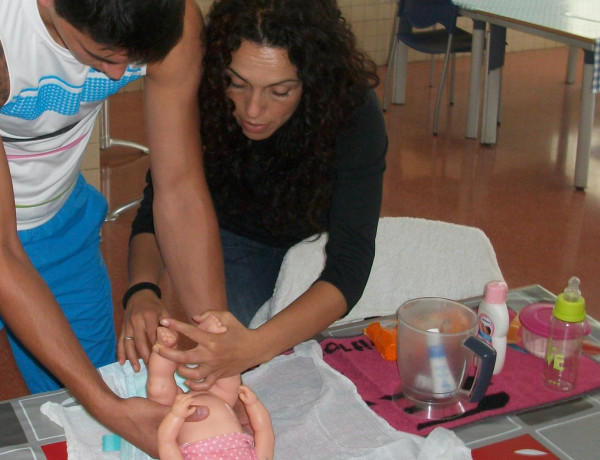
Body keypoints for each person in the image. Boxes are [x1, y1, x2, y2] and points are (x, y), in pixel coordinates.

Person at [121, 0, 387, 390]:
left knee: (301, 361)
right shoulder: (201, 94)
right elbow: (157, 206)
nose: (253, 110)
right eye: (237, 83)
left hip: (314, 245)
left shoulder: (351, 109)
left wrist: (256, 345)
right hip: (228, 239)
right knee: (244, 369)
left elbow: (350, 263)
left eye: (279, 91)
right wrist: (142, 289)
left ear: (312, 80)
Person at [0, 0, 225, 456]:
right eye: (102, 55)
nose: (118, 74)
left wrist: (215, 349)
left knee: (95, 410)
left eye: (134, 61)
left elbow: (178, 188)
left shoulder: (173, 20)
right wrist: (107, 406)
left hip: (59, 229)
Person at [149, 313, 274, 460]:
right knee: (228, 375)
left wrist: (175, 415)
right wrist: (253, 404)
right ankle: (212, 335)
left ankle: (165, 348)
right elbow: (264, 431)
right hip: (221, 399)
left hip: (178, 412)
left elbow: (166, 443)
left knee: (159, 389)